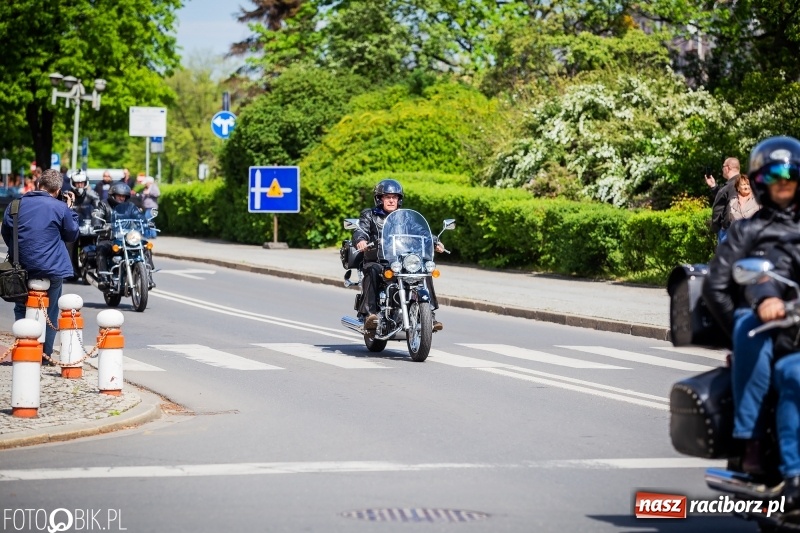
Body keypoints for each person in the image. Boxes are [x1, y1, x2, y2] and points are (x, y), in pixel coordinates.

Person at [702, 136, 800, 489]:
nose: (783, 184)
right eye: (775, 177)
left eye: (790, 176)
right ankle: (754, 440)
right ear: (759, 179)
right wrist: (751, 311)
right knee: (753, 335)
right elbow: (721, 284)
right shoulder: (748, 230)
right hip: (760, 317)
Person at [1, 168, 78, 360]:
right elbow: (72, 234)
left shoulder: (15, 205)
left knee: (21, 305)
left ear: (38, 184)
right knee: (51, 309)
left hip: (21, 266)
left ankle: (24, 345)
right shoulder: (60, 208)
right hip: (51, 268)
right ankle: (46, 353)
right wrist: (70, 210)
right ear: (59, 190)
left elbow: (6, 234)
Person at [352, 179, 445, 331]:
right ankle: (370, 314)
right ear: (380, 199)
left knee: (424, 272)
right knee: (372, 270)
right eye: (387, 197)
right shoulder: (370, 215)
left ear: (399, 200)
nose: (391, 200)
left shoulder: (405, 217)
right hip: (379, 260)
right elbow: (360, 230)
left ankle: (430, 316)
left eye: (394, 197)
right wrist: (361, 240)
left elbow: (421, 231)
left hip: (401, 260)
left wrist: (435, 241)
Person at [92, 182, 139, 289]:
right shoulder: (104, 204)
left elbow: (138, 216)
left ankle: (147, 275)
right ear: (113, 195)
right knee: (101, 248)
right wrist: (98, 225)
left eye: (124, 196)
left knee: (145, 245)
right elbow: (98, 215)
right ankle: (103, 277)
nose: (122, 198)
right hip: (109, 238)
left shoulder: (130, 206)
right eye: (119, 196)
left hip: (127, 239)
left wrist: (146, 222)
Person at [64, 171, 100, 279]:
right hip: (72, 227)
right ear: (72, 183)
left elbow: (98, 210)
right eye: (77, 183)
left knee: (95, 243)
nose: (80, 185)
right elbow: (61, 211)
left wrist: (97, 222)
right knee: (69, 246)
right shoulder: (67, 195)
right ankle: (71, 270)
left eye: (82, 183)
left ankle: (92, 266)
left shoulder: (92, 195)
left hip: (87, 226)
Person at [706, 157, 742, 242]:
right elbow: (724, 199)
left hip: (729, 232)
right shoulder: (740, 183)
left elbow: (723, 208)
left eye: (723, 166)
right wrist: (714, 187)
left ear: (727, 168)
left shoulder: (732, 185)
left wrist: (721, 227)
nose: (722, 169)